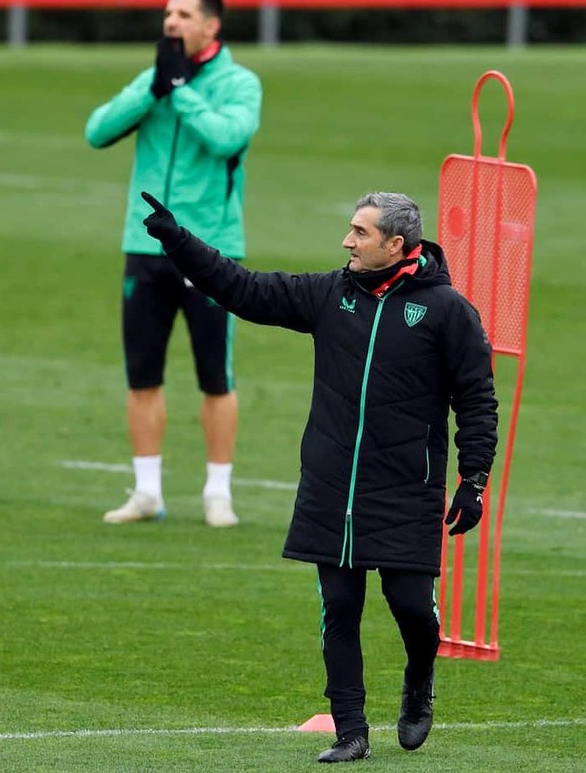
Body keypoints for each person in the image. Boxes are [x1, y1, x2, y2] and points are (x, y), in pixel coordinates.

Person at [138, 189, 498, 763]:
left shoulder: (448, 311)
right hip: (332, 486)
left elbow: (477, 399)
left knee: (410, 606)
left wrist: (473, 479)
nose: (347, 241)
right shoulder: (330, 294)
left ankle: (419, 677)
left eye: (360, 232)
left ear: (396, 244)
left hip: (407, 488)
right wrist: (178, 242)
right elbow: (245, 289)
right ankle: (351, 730)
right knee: (339, 605)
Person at [84, 0, 262, 528]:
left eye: (183, 14)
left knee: (215, 375)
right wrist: (155, 90)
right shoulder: (156, 78)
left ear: (211, 27)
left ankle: (217, 492)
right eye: (167, 13)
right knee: (142, 374)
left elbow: (227, 138)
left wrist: (182, 91)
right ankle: (147, 492)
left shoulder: (239, 83)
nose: (170, 22)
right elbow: (97, 131)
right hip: (145, 246)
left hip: (210, 250)